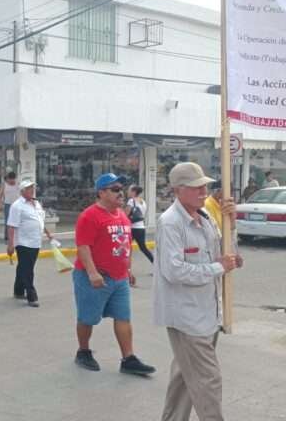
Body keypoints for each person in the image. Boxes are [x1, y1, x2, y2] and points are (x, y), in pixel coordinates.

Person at [153, 162, 243, 421]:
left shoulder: (205, 218)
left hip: (208, 314)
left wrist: (231, 223)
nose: (204, 191)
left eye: (204, 186)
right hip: (187, 318)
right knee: (207, 380)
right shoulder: (170, 222)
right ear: (178, 190)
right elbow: (174, 271)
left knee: (184, 379)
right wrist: (218, 267)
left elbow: (226, 255)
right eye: (196, 187)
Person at [72, 173, 156, 376]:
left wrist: (127, 269)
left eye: (121, 189)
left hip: (119, 278)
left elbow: (124, 245)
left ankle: (128, 358)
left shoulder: (122, 215)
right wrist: (92, 273)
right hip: (94, 278)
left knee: (123, 317)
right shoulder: (89, 216)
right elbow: (83, 247)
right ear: (101, 193)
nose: (121, 193)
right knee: (88, 318)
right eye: (115, 189)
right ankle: (83, 351)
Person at [6, 180, 54, 307]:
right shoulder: (17, 206)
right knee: (28, 269)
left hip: (35, 241)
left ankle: (19, 289)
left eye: (32, 188)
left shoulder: (37, 203)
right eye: (28, 188)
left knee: (25, 266)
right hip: (23, 242)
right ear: (22, 191)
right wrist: (10, 244)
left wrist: (48, 233)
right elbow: (11, 226)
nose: (31, 190)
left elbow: (40, 220)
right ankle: (31, 295)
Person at [125, 185, 153, 263]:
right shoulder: (143, 201)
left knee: (124, 247)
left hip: (132, 228)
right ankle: (157, 266)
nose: (127, 192)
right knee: (143, 248)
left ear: (133, 192)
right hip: (141, 228)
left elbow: (125, 215)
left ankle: (125, 268)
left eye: (129, 190)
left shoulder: (131, 201)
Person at [0, 171, 20, 240]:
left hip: (17, 205)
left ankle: (16, 236)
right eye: (10, 179)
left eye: (13, 179)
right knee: (8, 221)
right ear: (8, 179)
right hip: (8, 205)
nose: (12, 181)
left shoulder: (18, 184)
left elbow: (22, 194)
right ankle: (7, 237)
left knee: (17, 220)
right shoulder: (4, 185)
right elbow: (0, 195)